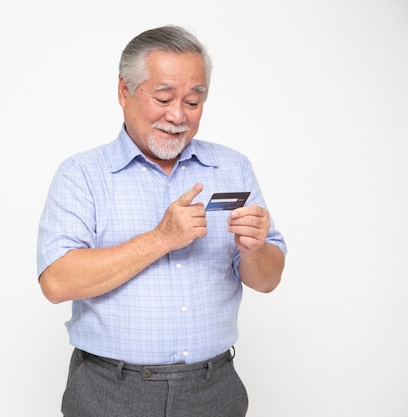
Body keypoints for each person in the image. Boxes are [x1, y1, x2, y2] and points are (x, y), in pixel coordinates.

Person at [36, 24, 286, 417]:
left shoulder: (233, 168)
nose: (177, 115)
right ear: (124, 92)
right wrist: (161, 238)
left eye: (193, 101)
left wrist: (254, 250)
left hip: (213, 390)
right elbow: (56, 281)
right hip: (109, 391)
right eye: (164, 97)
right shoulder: (82, 174)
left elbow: (268, 279)